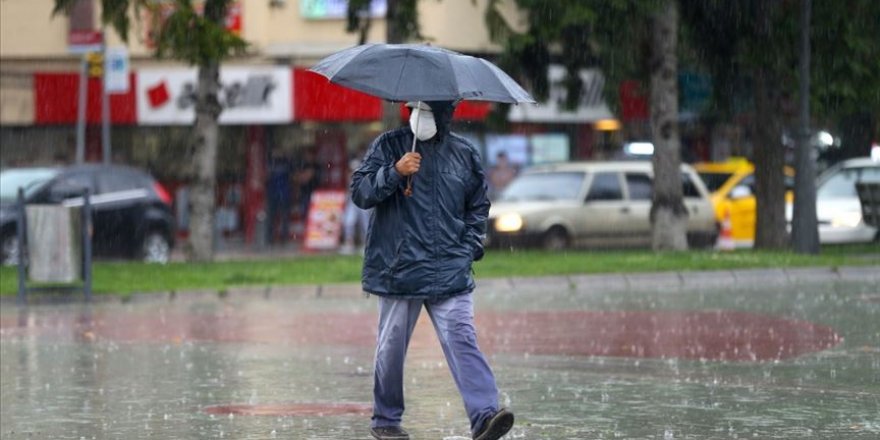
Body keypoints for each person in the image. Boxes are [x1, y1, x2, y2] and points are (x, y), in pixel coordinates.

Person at [351, 100, 514, 440]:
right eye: (414, 109)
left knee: (462, 338)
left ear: (445, 114)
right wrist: (395, 172)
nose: (419, 116)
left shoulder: (463, 154)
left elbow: (478, 206)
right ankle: (386, 419)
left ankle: (485, 415)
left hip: (449, 269)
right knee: (390, 347)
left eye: (428, 110)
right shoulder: (388, 145)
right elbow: (361, 192)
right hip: (400, 269)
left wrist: (469, 246)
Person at [340, 156, 371, 255]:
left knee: (365, 224)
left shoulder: (365, 177)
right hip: (352, 203)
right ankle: (349, 244)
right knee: (349, 222)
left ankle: (366, 245)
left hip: (363, 202)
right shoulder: (349, 178)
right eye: (352, 170)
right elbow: (348, 193)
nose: (353, 172)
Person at [265, 151, 293, 245]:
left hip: (280, 194)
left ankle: (278, 238)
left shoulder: (282, 165)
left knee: (280, 217)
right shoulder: (273, 165)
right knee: (275, 217)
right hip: (277, 194)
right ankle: (274, 238)